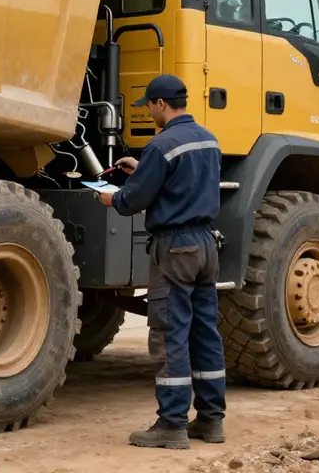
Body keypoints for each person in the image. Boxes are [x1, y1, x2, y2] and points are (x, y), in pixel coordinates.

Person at [97, 73, 227, 450]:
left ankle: (171, 425)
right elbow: (184, 181)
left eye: (149, 106)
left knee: (170, 333)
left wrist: (113, 198)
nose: (148, 113)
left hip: (175, 248)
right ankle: (211, 421)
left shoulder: (160, 145)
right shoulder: (208, 139)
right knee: (205, 332)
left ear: (160, 104)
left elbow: (133, 201)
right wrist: (143, 171)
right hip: (206, 244)